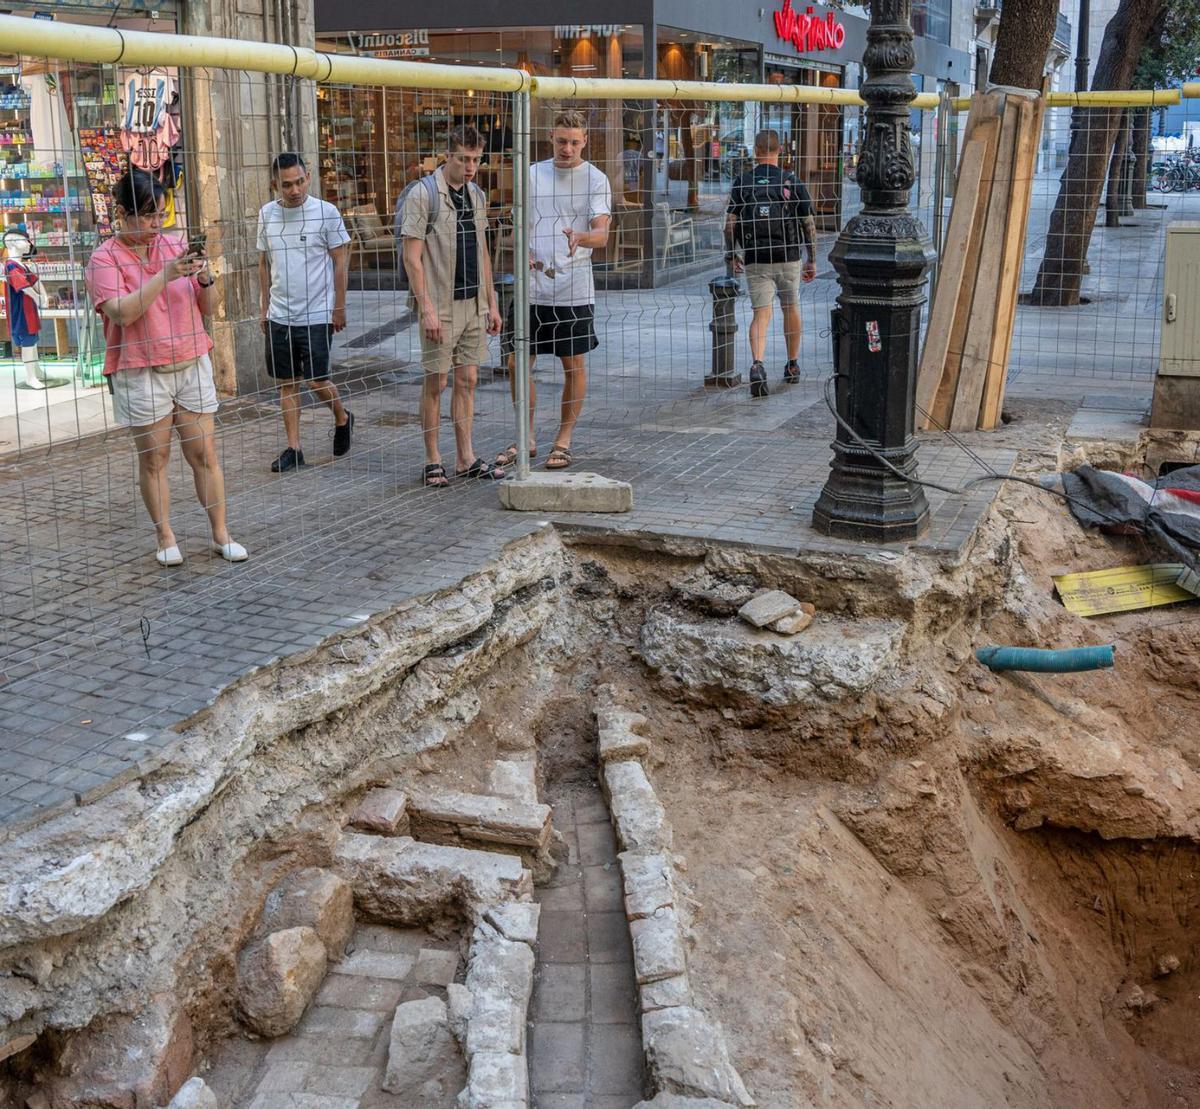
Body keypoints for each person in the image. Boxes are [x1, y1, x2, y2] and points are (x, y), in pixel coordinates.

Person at [85, 168, 247, 566]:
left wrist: (205, 278)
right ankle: (165, 535)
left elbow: (207, 309)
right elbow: (122, 314)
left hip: (191, 361)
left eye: (162, 215)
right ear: (122, 213)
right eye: (149, 215)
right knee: (155, 460)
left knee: (204, 453)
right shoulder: (103, 258)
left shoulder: (173, 244)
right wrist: (165, 274)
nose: (158, 225)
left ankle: (220, 533)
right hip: (140, 369)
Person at [496, 109, 611, 472]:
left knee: (572, 364)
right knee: (517, 362)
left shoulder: (595, 178)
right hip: (532, 285)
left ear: (585, 141)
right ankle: (526, 435)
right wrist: (525, 252)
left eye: (575, 142)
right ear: (551, 137)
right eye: (562, 141)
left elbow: (602, 235)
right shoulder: (531, 174)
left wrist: (581, 236)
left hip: (574, 287)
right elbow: (519, 226)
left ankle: (563, 440)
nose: (567, 148)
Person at [400, 126, 505, 487]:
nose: (471, 166)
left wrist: (492, 304)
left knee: (469, 379)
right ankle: (433, 459)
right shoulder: (423, 195)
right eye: (463, 159)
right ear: (448, 156)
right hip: (440, 303)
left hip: (473, 303)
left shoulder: (476, 195)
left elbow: (483, 251)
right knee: (436, 381)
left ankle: (466, 458)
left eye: (476, 159)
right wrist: (426, 308)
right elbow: (412, 258)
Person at [257, 152, 353, 472]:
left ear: (308, 177)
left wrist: (338, 306)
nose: (295, 189)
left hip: (317, 313)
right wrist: (264, 307)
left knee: (316, 380)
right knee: (287, 383)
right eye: (287, 185)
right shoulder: (267, 214)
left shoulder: (326, 213)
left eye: (299, 182)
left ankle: (341, 417)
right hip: (280, 313)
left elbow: (340, 260)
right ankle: (293, 448)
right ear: (275, 185)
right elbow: (262, 262)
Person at [724, 129, 817, 398]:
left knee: (761, 314)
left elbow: (729, 225)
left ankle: (757, 364)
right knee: (790, 308)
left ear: (755, 150)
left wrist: (732, 255)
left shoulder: (743, 182)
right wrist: (811, 259)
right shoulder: (791, 180)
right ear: (780, 151)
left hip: (756, 258)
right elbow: (808, 224)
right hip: (788, 257)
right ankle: (792, 365)